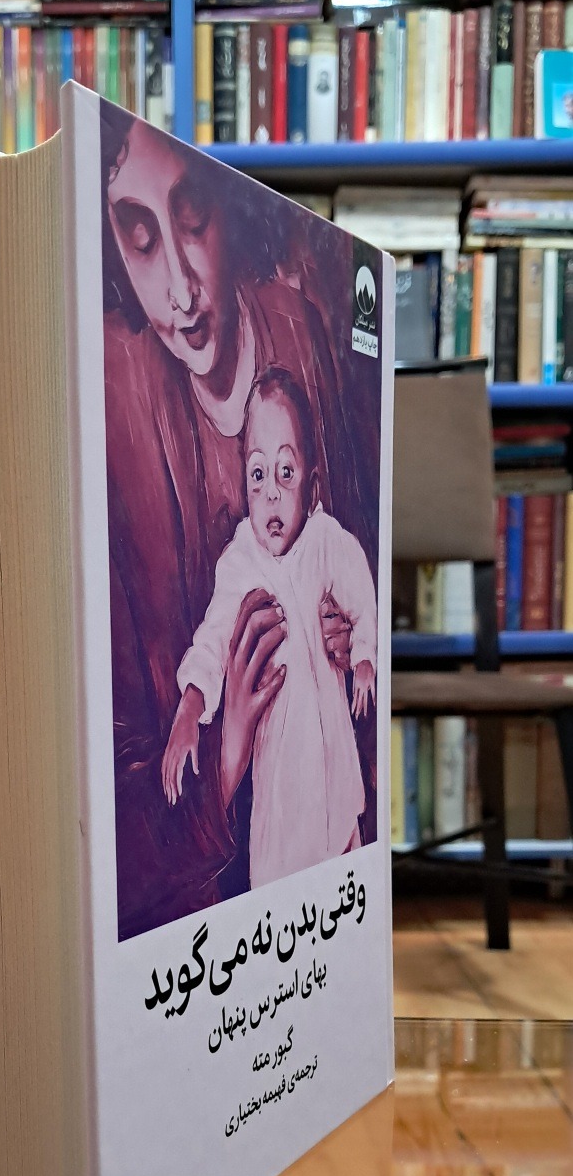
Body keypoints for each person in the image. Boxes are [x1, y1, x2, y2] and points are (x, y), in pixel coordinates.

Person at [101, 106, 371, 939]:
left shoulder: (302, 331)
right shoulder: (120, 416)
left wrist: (356, 643)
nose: (181, 290)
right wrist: (205, 720)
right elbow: (211, 640)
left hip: (338, 777)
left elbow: (358, 575)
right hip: (252, 844)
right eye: (140, 238)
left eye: (192, 221)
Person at [162, 366, 376, 887]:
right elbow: (212, 641)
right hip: (283, 783)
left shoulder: (326, 541)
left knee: (345, 863)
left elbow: (362, 596)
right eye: (259, 475)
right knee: (282, 876)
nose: (272, 495)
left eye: (286, 472)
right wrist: (190, 708)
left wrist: (365, 656)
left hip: (336, 772)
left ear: (312, 484)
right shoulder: (240, 563)